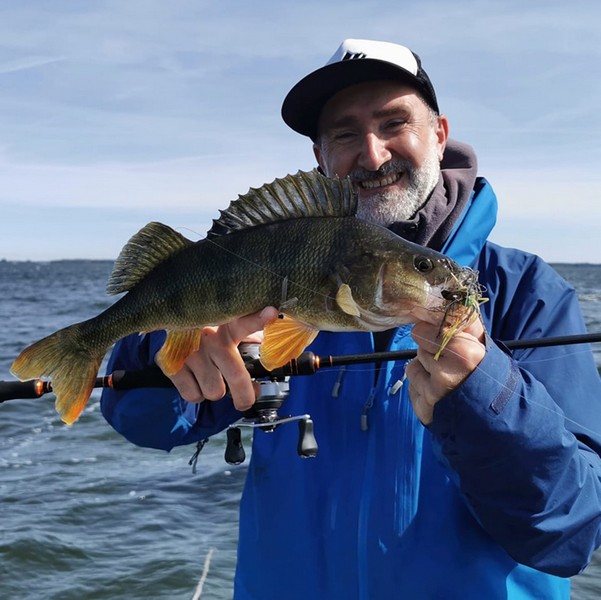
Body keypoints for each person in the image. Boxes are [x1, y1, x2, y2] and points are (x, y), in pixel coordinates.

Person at [101, 39, 601, 599]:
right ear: (321, 158)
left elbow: (572, 532)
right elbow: (143, 422)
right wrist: (166, 352)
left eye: (394, 123)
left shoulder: (527, 292)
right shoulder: (274, 274)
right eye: (344, 134)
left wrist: (481, 397)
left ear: (439, 134)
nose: (372, 154)